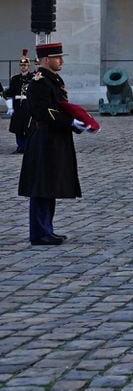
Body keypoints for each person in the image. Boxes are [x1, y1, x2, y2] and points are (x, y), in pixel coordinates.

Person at [18, 42, 83, 245]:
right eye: (57, 57)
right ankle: (39, 233)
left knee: (50, 186)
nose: (61, 61)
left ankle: (47, 228)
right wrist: (70, 121)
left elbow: (60, 106)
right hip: (44, 139)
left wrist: (78, 119)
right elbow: (44, 111)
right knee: (41, 187)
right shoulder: (39, 82)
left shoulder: (53, 80)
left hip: (55, 139)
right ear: (46, 60)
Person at [7, 49, 33, 153]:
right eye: (22, 65)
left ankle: (26, 146)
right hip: (17, 106)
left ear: (28, 66)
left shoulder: (32, 78)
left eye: (25, 65)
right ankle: (20, 146)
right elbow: (10, 92)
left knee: (27, 128)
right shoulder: (15, 79)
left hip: (28, 106)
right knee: (18, 128)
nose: (23, 67)